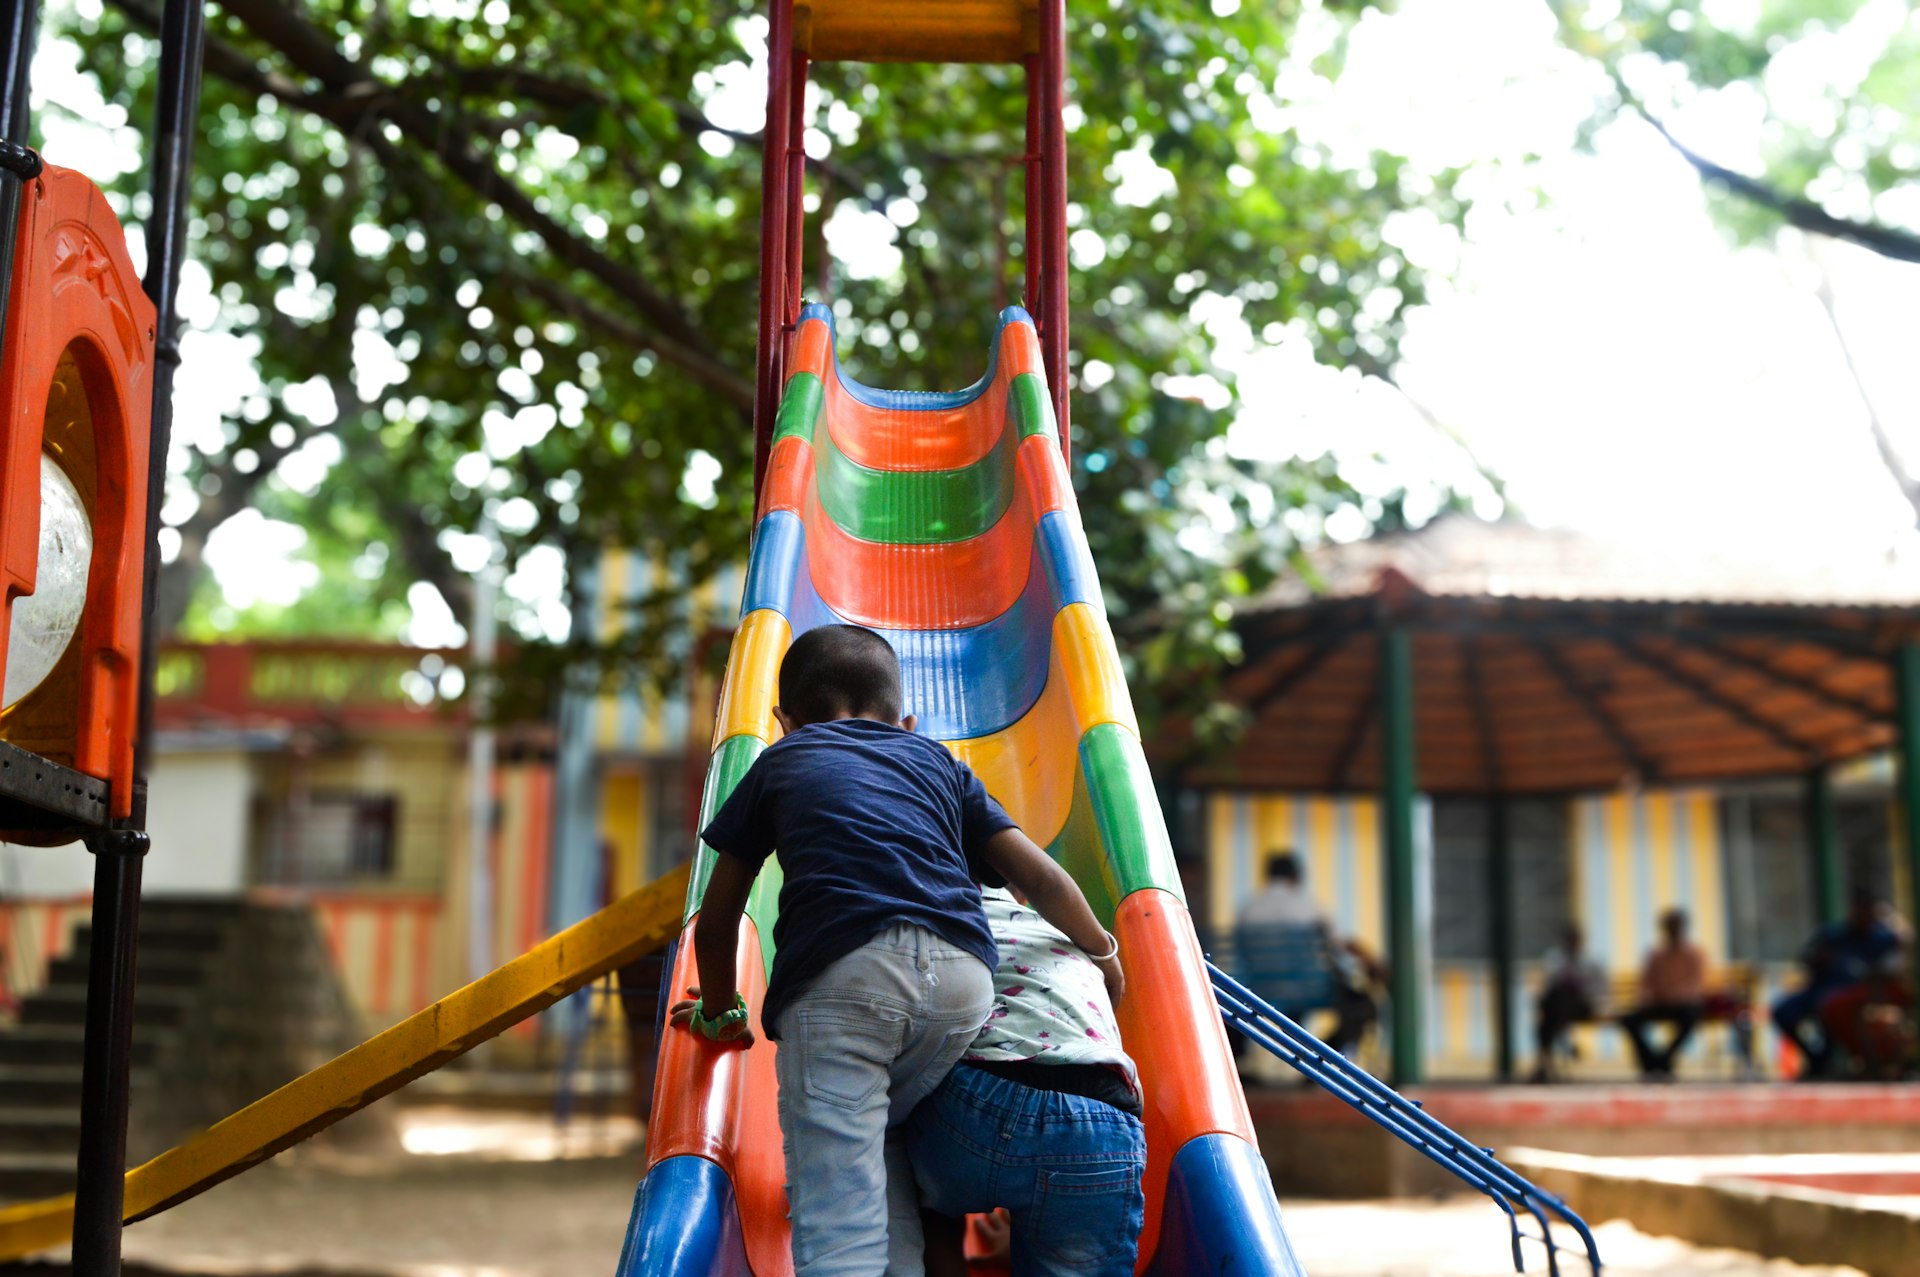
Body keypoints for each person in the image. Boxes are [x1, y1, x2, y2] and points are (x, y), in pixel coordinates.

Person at [668, 624, 1123, 1277]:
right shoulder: (940, 760)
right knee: (878, 1131)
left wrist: (721, 1011)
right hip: (962, 982)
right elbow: (1041, 878)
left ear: (783, 721)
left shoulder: (781, 761)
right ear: (905, 720)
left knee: (837, 1226)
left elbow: (716, 925)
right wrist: (1103, 951)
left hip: (843, 979)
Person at [909, 886, 1147, 1277]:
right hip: (1099, 1123)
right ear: (1020, 894)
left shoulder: (938, 917)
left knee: (910, 1174)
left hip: (975, 1103)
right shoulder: (1071, 937)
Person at [1234, 851, 1383, 1056]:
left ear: (1268, 876)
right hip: (1310, 990)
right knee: (1362, 1006)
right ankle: (1322, 1057)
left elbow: (1241, 952)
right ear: (1296, 877)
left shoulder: (1247, 909)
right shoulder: (1309, 907)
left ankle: (1239, 1058)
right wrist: (1372, 962)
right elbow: (1341, 944)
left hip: (1260, 991)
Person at [1775, 886, 1908, 1079]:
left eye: (1868, 910)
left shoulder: (1881, 938)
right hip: (1819, 989)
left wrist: (1890, 917)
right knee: (1783, 1011)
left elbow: (1906, 938)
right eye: (1859, 909)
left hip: (1853, 995)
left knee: (1830, 1005)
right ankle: (1817, 1059)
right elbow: (1804, 956)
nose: (1862, 914)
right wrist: (1819, 959)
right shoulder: (1834, 934)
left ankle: (1832, 1062)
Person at [1617, 907, 1707, 1080]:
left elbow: (1696, 985)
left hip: (1683, 1004)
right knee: (1629, 1020)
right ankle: (1652, 1061)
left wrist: (1677, 996)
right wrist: (1646, 996)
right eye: (1669, 926)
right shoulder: (1656, 955)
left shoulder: (1694, 953)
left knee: (1690, 1017)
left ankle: (1663, 1060)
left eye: (1675, 926)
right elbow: (1646, 983)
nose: (1672, 930)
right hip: (1659, 1003)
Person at [1529, 922, 1606, 1083]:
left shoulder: (1592, 962)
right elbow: (1550, 985)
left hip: (1582, 1006)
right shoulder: (1555, 959)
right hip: (1559, 1008)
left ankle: (1545, 1063)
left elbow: (1599, 990)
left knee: (1547, 1022)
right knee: (1556, 1003)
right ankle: (1566, 1043)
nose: (1572, 942)